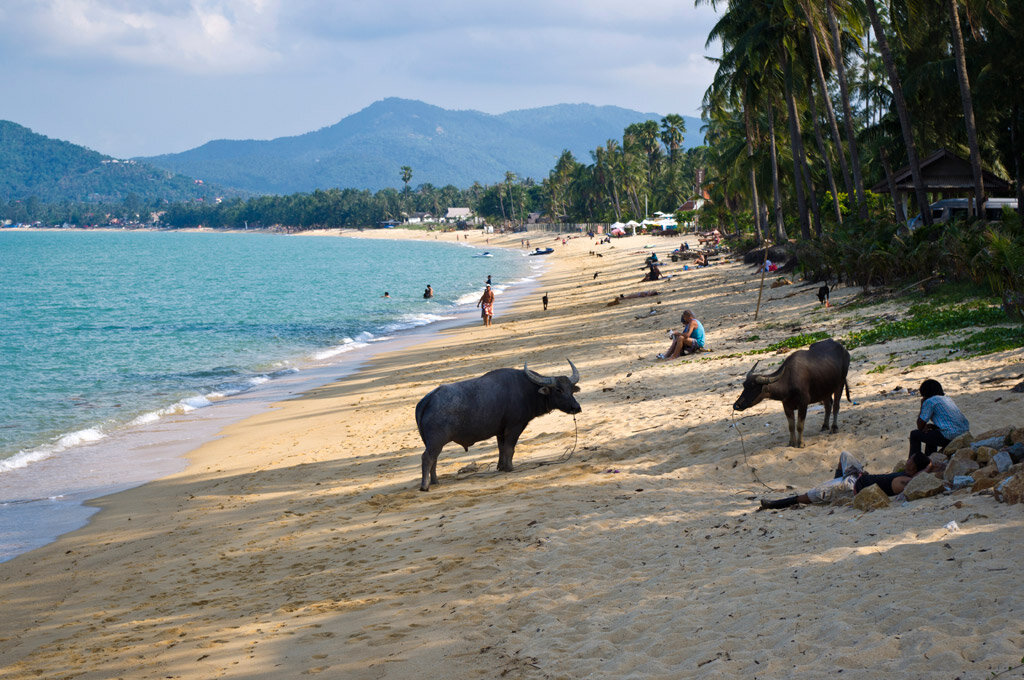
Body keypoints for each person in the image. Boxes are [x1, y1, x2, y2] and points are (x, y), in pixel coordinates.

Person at [760, 448, 946, 509]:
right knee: (845, 455)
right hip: (858, 477)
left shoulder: (904, 481)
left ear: (916, 469)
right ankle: (836, 484)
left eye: (910, 461)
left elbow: (916, 484)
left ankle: (773, 504)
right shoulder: (905, 474)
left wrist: (928, 467)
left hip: (851, 486)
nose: (907, 461)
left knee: (810, 495)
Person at [912, 378, 969, 458]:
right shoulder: (947, 399)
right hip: (964, 432)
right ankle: (930, 457)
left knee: (914, 434)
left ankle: (914, 462)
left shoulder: (930, 401)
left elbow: (920, 426)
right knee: (930, 433)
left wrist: (922, 405)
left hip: (951, 435)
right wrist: (933, 427)